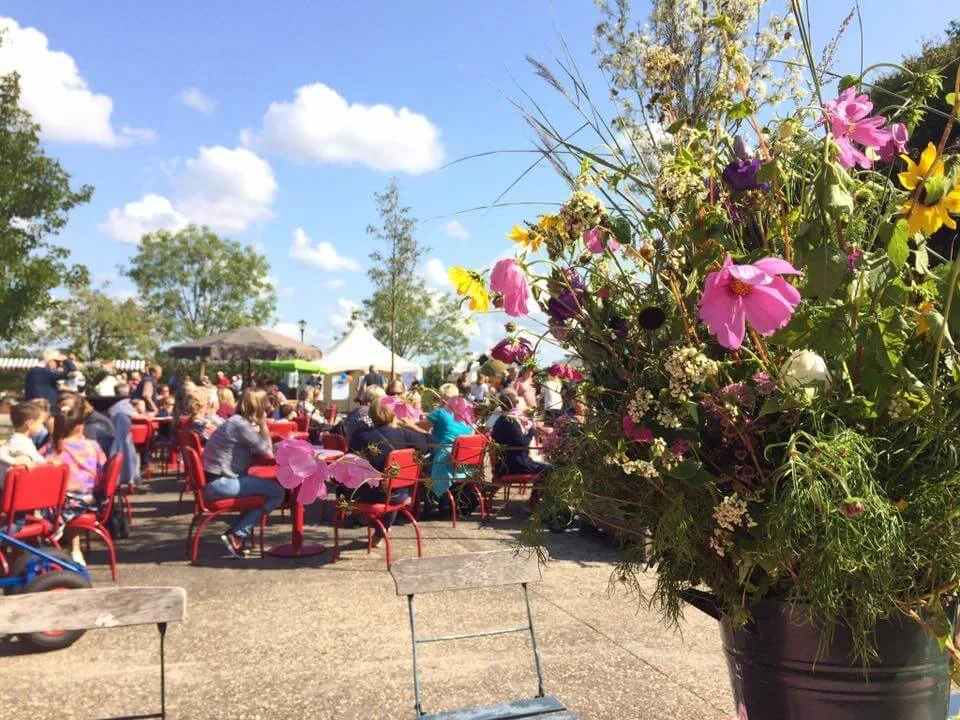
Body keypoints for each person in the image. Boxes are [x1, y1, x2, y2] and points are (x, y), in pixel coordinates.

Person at [201, 389, 286, 558]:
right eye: (265, 405)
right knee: (277, 492)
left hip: (213, 482)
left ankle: (237, 531)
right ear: (258, 406)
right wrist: (263, 424)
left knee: (261, 488)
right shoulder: (241, 425)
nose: (268, 407)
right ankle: (237, 534)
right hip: (221, 484)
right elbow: (267, 450)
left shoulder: (234, 421)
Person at [346, 396, 428, 545]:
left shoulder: (360, 435)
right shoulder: (406, 434)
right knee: (392, 484)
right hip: (400, 494)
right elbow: (430, 444)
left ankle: (374, 527)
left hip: (369, 494)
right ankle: (381, 531)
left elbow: (350, 462)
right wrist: (412, 426)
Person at [51, 402, 107, 566]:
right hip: (92, 500)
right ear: (80, 427)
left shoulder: (55, 447)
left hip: (65, 502)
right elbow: (102, 468)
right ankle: (74, 549)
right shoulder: (92, 446)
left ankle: (51, 545)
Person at [414, 383, 474, 510]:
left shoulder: (440, 413)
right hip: (464, 461)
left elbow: (420, 427)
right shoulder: (465, 415)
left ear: (442, 398)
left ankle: (431, 502)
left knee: (421, 465)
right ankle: (443, 500)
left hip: (445, 459)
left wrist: (407, 423)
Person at [491, 390, 550, 477]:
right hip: (516, 465)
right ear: (514, 403)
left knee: (545, 467)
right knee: (550, 469)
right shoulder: (510, 422)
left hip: (505, 464)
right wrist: (532, 431)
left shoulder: (500, 420)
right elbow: (523, 443)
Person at [0, 402, 47, 488]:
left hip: (14, 487)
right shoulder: (17, 440)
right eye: (41, 423)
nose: (42, 427)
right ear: (30, 424)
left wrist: (48, 462)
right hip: (7, 489)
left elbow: (35, 457)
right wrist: (15, 462)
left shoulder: (25, 440)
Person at [107, 383, 140, 488]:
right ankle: (131, 479)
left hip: (115, 437)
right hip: (125, 437)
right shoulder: (123, 405)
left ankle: (120, 478)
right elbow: (137, 416)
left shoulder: (112, 405)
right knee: (131, 452)